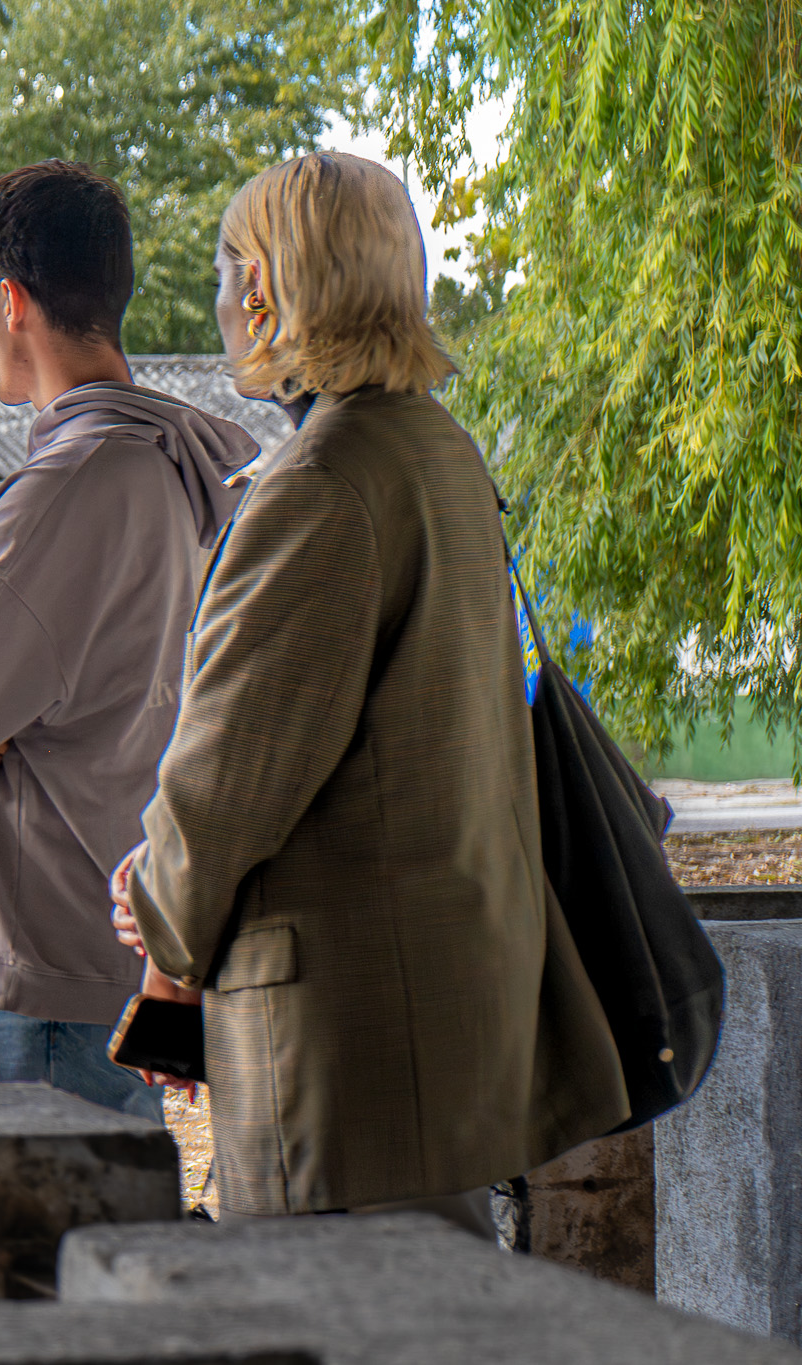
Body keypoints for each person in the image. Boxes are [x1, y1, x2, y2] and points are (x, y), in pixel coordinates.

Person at [108, 153, 629, 1229]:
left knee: (338, 1321)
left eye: (219, 270)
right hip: (441, 995)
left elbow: (229, 772)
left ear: (259, 286)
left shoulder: (319, 481)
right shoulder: (434, 446)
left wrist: (157, 910)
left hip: (340, 1029)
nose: (214, 301)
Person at [0, 161, 257, 1119]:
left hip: (48, 940)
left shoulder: (71, 485)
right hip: (126, 916)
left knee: (60, 1243)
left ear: (11, 300)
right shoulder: (189, 464)